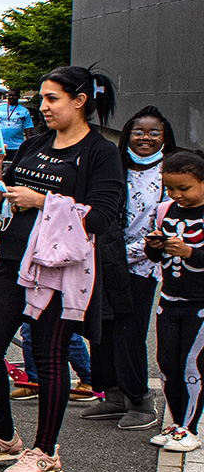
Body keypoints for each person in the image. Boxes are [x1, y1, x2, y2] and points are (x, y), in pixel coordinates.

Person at [0, 66, 124, 472]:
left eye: (52, 98)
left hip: (58, 269)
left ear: (80, 100)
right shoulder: (35, 144)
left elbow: (103, 217)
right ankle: (3, 437)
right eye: (42, 98)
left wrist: (43, 200)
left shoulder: (100, 152)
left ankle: (45, 451)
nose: (43, 106)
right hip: (12, 259)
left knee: (49, 358)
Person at [83, 106, 175, 431]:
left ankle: (140, 400)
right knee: (102, 327)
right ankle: (111, 394)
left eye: (154, 133)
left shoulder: (171, 173)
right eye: (138, 132)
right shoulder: (116, 166)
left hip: (142, 265)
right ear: (127, 135)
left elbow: (166, 229)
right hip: (106, 259)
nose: (145, 138)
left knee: (128, 331)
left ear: (165, 137)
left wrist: (128, 253)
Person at [149, 151, 204, 451]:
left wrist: (190, 253)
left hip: (199, 303)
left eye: (184, 188)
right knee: (167, 363)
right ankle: (177, 422)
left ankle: (190, 428)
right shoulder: (166, 210)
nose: (176, 194)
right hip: (169, 298)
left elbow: (194, 255)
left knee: (192, 366)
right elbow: (155, 258)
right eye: (170, 188)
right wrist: (154, 246)